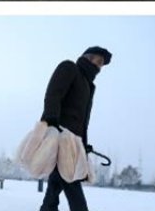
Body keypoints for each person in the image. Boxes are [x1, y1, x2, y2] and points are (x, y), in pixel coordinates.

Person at [38, 46, 111, 211]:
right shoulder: (70, 68)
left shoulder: (88, 86)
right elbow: (53, 94)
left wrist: (83, 144)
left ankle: (47, 208)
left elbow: (82, 122)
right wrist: (51, 123)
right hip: (60, 135)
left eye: (101, 64)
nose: (99, 66)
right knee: (71, 182)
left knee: (57, 182)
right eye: (97, 61)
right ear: (87, 57)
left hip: (73, 141)